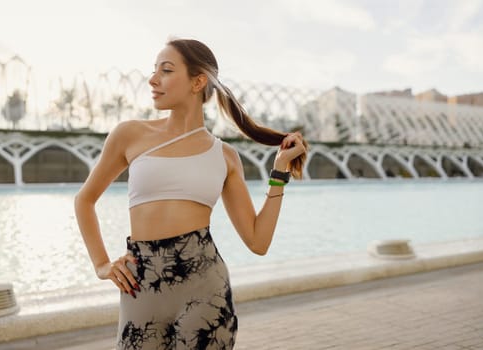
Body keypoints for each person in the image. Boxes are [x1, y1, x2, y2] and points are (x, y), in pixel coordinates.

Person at [74, 38, 308, 350]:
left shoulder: (224, 156)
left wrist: (279, 173)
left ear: (197, 82)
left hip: (205, 287)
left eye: (166, 71)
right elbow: (85, 199)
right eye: (154, 70)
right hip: (141, 285)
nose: (153, 79)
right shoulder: (130, 135)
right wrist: (102, 264)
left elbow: (257, 241)